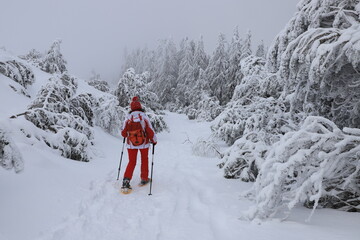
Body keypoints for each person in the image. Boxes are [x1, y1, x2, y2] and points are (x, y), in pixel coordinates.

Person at [121, 96, 157, 191]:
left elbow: (123, 133)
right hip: (144, 143)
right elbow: (149, 129)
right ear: (140, 106)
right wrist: (154, 140)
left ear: (131, 108)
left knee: (132, 161)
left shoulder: (128, 117)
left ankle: (126, 180)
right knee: (144, 159)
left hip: (131, 144)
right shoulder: (144, 116)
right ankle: (144, 179)